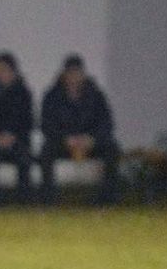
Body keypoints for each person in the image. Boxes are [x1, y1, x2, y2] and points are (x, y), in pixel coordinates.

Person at [39, 54, 120, 205]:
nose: (74, 77)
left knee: (112, 148)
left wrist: (91, 139)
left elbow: (106, 123)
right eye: (70, 73)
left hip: (90, 143)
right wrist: (65, 139)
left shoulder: (96, 96)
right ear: (64, 75)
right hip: (62, 143)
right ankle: (48, 199)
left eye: (77, 73)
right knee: (46, 152)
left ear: (83, 74)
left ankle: (108, 199)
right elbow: (47, 125)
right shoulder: (52, 96)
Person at [0, 51, 34, 203]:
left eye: (5, 70)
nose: (1, 74)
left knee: (24, 157)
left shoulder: (23, 93)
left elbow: (28, 122)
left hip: (17, 141)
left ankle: (23, 199)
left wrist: (13, 137)